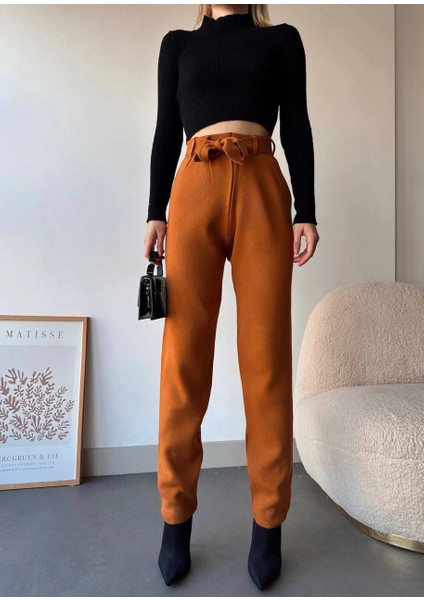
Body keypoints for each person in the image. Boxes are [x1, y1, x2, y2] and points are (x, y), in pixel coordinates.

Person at [143, 3, 320, 590]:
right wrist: (155, 212)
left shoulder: (282, 40)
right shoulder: (178, 44)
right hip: (193, 188)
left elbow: (297, 123)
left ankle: (268, 523)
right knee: (183, 360)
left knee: (266, 362)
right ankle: (175, 519)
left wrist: (306, 210)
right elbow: (165, 131)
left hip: (263, 186)